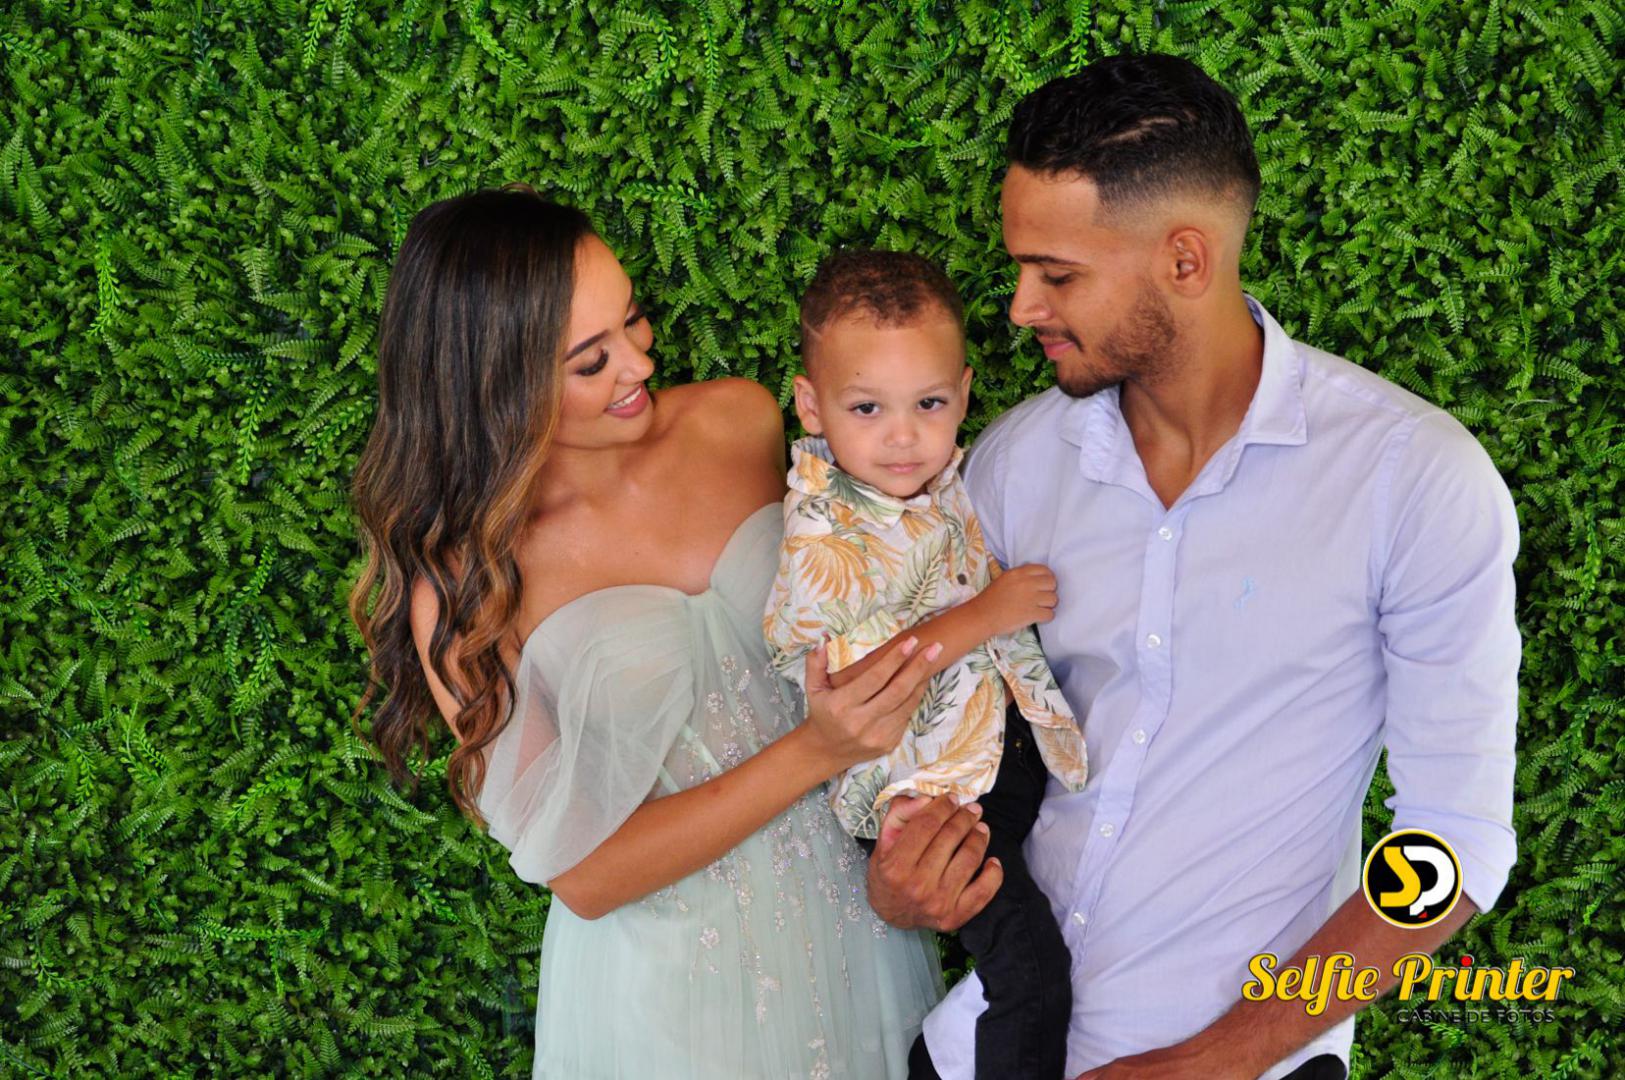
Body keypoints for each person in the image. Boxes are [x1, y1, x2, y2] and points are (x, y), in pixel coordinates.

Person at [866, 54, 1521, 1080]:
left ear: (1184, 260)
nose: (1020, 307)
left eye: (1056, 275)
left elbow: (1452, 845)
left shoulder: (1413, 481)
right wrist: (901, 876)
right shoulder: (1012, 464)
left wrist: (1208, 1063)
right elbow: (952, 739)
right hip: (970, 1054)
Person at [347, 184, 948, 1078]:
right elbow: (586, 877)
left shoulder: (739, 421)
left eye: (631, 320)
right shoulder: (465, 583)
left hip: (860, 925)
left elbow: (881, 589)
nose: (637, 363)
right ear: (492, 383)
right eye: (590, 361)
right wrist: (816, 752)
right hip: (668, 996)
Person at [763, 249, 1089, 1079]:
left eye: (929, 403)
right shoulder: (822, 528)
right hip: (929, 805)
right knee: (1029, 975)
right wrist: (987, 612)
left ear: (964, 395)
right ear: (811, 405)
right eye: (866, 407)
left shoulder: (945, 484)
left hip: (995, 762)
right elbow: (853, 684)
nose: (902, 434)